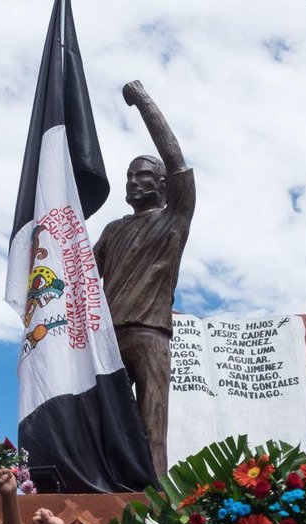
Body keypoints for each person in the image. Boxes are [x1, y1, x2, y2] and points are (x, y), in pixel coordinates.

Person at [93, 80, 194, 480]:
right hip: (109, 339)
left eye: (144, 176)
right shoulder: (113, 230)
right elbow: (80, 282)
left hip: (151, 335)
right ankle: (109, 491)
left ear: (164, 185)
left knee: (153, 427)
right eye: (130, 176)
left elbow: (175, 158)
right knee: (109, 426)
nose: (134, 182)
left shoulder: (174, 219)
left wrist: (143, 102)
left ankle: (152, 504)